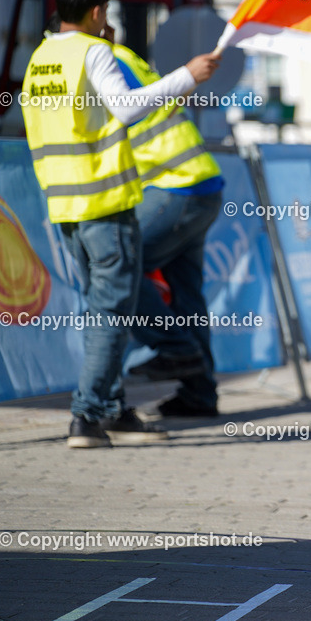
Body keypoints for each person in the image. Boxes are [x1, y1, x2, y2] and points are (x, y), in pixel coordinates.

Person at [21, 0, 218, 448]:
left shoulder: (41, 58)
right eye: (105, 11)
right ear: (95, 13)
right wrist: (185, 77)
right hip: (105, 201)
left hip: (65, 205)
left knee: (101, 310)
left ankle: (110, 408)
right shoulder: (94, 51)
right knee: (111, 311)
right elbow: (126, 107)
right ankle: (88, 414)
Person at [111, 41, 224, 418]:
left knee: (122, 267)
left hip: (174, 186)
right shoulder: (128, 58)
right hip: (198, 183)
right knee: (187, 293)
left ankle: (175, 349)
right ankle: (199, 394)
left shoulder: (102, 61)